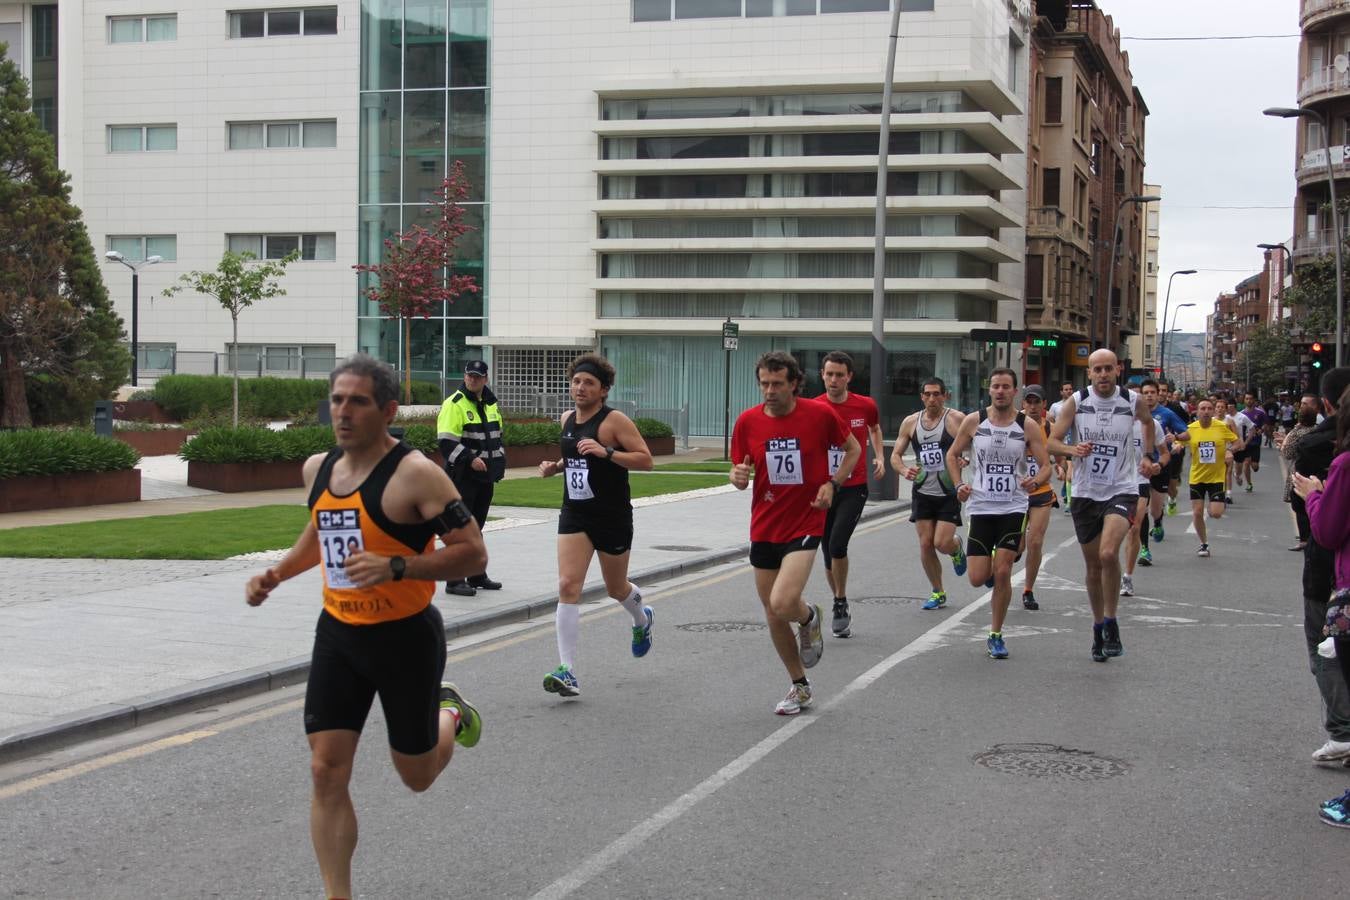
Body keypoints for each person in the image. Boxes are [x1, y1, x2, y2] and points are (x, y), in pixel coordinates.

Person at [244, 354, 486, 900]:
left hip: (406, 639)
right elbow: (322, 530)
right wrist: (277, 574)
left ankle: (451, 713)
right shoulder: (318, 469)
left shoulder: (418, 474)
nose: (343, 412)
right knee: (326, 771)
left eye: (357, 401)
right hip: (339, 635)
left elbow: (473, 553)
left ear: (388, 409)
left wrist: (399, 565)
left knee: (416, 777)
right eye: (336, 400)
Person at [731, 351, 859, 715]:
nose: (769, 391)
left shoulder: (819, 415)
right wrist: (737, 477)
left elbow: (852, 449)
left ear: (794, 384)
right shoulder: (747, 422)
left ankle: (808, 617)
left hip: (806, 520)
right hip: (765, 523)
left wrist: (833, 484)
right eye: (764, 384)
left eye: (776, 384)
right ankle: (799, 685)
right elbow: (740, 469)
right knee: (772, 614)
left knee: (783, 602)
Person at [537, 353, 655, 698]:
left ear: (603, 389)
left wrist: (608, 453)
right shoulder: (566, 418)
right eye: (576, 381)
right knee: (567, 584)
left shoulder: (614, 421)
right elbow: (575, 455)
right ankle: (567, 670)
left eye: (588, 382)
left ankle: (641, 618)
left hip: (612, 515)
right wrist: (555, 467)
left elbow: (645, 460)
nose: (580, 387)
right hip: (574, 512)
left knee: (615, 588)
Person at [1047, 348, 1156, 662]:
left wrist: (1147, 455)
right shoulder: (1077, 403)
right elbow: (1051, 441)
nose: (1104, 374)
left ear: (1118, 370)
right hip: (1084, 492)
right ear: (1090, 373)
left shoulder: (1131, 401)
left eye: (1109, 368)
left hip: (1122, 489)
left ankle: (1111, 620)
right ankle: (1098, 627)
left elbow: (1148, 423)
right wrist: (1072, 449)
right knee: (1093, 567)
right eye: (1098, 369)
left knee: (1109, 553)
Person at [946, 369, 1050, 658]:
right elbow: (952, 455)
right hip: (980, 506)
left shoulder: (1026, 425)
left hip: (1013, 506)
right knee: (978, 578)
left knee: (1003, 571)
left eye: (1006, 387)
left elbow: (1046, 465)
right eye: (996, 387)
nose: (1001, 391)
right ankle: (989, 561)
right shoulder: (974, 421)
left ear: (1014, 391)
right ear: (989, 390)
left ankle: (995, 634)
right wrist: (959, 485)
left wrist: (1036, 481)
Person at [1293, 384, 1350, 827]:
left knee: (1326, 651)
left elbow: (1328, 531)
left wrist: (1314, 494)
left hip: (1337, 581)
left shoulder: (1337, 459)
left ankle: (1342, 733)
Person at [812, 351, 883, 638]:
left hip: (853, 486)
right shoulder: (814, 407)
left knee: (839, 544)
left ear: (849, 377)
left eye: (839, 374)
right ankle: (838, 599)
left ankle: (840, 602)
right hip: (824, 488)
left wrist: (878, 455)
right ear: (822, 375)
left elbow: (875, 428)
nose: (833, 379)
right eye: (829, 374)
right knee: (828, 551)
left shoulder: (865, 405)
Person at [891, 377, 968, 610]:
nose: (932, 399)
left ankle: (956, 547)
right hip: (923, 490)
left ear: (945, 395)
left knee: (941, 543)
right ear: (922, 397)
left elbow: (977, 445)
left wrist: (965, 460)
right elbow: (895, 455)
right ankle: (938, 591)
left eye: (937, 394)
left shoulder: (955, 420)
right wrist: (904, 469)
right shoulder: (910, 422)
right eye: (928, 394)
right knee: (925, 544)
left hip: (948, 490)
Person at [437, 359, 505, 596]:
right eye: (469, 375)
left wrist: (498, 463)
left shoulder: (490, 404)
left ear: (486, 379)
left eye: (477, 376)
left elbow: (497, 437)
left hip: (485, 478)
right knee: (461, 529)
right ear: (465, 376)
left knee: (476, 528)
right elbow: (446, 443)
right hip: (462, 477)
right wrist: (469, 458)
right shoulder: (454, 404)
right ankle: (455, 580)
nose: (472, 379)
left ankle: (476, 575)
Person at [1018, 384, 1059, 611]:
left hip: (1041, 491)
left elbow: (1058, 450)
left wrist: (1063, 465)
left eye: (1037, 402)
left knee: (1035, 541)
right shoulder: (1012, 424)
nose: (1033, 406)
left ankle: (1028, 590)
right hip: (1015, 492)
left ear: (1044, 404)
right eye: (1029, 402)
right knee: (1018, 546)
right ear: (1023, 403)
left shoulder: (1050, 428)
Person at [1121, 410, 1169, 596]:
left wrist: (1159, 464)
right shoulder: (1110, 420)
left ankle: (1127, 577)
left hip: (1138, 481)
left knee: (1134, 528)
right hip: (1112, 484)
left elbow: (1164, 453)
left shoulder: (1150, 425)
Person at [1140, 378, 1190, 556]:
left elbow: (1186, 433)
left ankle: (1158, 521)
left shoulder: (1167, 414)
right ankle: (1144, 549)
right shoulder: (1135, 414)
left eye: (1152, 392)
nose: (1149, 396)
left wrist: (1175, 437)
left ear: (1158, 394)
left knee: (1154, 510)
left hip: (1161, 464)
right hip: (1140, 468)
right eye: (1145, 393)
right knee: (1141, 510)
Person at [1185, 397, 1239, 559]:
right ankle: (1204, 544)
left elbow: (1238, 443)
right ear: (1197, 412)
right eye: (1203, 408)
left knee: (1216, 513)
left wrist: (1230, 450)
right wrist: (1174, 446)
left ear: (1214, 411)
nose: (1206, 411)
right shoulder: (1190, 429)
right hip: (1197, 477)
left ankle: (1213, 506)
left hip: (1216, 477)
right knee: (1197, 512)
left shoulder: (1221, 427)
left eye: (1209, 408)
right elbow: (1178, 443)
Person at [1276, 393, 1321, 551]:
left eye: (1304, 405)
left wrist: (1284, 443)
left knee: (1300, 507)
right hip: (1317, 474)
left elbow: (1287, 453)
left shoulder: (1298, 432)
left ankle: (1305, 539)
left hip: (1301, 473)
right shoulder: (1319, 429)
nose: (1301, 407)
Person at [1047, 380, 1077, 508]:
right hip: (1060, 443)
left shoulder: (1078, 404)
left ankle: (1068, 496)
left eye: (1070, 389)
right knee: (1065, 468)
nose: (1068, 391)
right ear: (1061, 392)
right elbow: (1051, 421)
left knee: (1070, 471)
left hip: (1072, 442)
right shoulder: (1055, 406)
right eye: (1066, 389)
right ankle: (1067, 492)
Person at [1233, 391, 1267, 494]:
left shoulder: (1260, 413)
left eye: (1250, 398)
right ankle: (1249, 484)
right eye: (1247, 399)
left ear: (1254, 400)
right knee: (1246, 462)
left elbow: (1265, 424)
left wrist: (1262, 429)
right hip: (1245, 442)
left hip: (1256, 442)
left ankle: (1246, 472)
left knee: (1255, 467)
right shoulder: (1241, 414)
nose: (1249, 400)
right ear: (1244, 400)